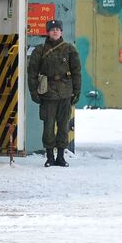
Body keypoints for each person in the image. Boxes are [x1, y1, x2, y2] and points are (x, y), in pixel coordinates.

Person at [27, 18, 82, 167]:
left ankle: (61, 157)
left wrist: (77, 91)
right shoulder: (40, 50)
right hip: (47, 93)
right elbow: (32, 72)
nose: (55, 31)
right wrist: (34, 92)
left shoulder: (70, 49)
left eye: (57, 29)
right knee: (48, 126)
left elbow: (77, 71)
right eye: (52, 29)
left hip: (65, 93)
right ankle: (50, 157)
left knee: (63, 126)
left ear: (61, 31)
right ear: (48, 32)